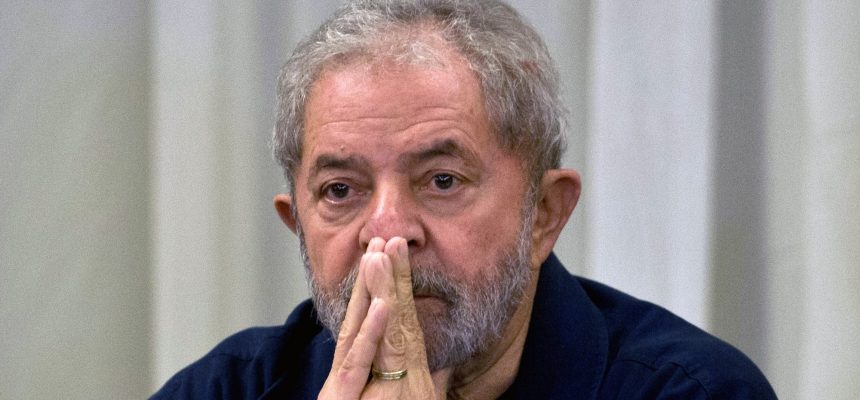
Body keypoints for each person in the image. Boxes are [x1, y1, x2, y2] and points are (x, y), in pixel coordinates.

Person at [152, 0, 777, 398]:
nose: (387, 233)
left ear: (545, 215)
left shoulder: (694, 393)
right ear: (297, 226)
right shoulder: (223, 390)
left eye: (442, 180)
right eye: (340, 191)